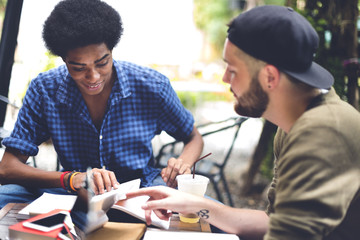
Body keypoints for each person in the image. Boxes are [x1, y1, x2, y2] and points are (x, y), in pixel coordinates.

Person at [126, 5, 360, 239]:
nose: (225, 78)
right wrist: (193, 204)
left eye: (233, 69)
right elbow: (272, 221)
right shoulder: (293, 125)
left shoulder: (322, 131)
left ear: (270, 77)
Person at [0, 0, 203, 208]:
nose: (93, 77)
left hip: (142, 187)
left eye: (102, 63)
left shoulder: (152, 86)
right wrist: (71, 179)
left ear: (112, 50)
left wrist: (182, 163)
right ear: (63, 59)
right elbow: (7, 168)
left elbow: (193, 137)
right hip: (74, 191)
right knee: (3, 195)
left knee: (204, 211)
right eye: (79, 68)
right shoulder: (44, 90)